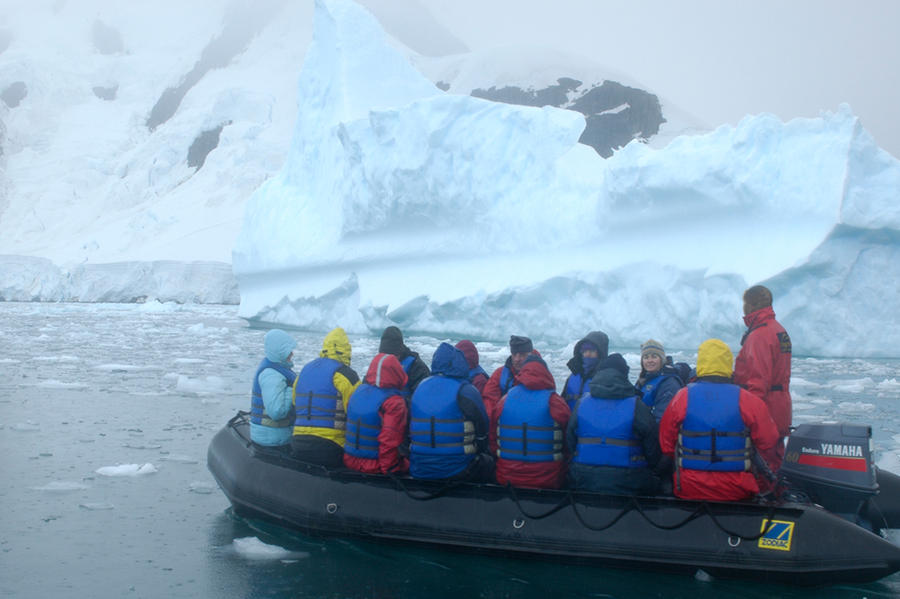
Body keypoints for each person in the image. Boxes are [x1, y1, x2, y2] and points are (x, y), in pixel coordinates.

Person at [659, 339, 779, 501]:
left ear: (701, 363)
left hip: (689, 487)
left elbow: (666, 445)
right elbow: (769, 442)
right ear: (728, 364)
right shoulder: (749, 400)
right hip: (737, 489)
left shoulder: (681, 397)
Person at [567, 353, 662, 495]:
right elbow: (652, 450)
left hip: (582, 478)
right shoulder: (637, 405)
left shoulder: (581, 403)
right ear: (624, 375)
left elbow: (570, 440)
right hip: (630, 480)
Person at [408, 342, 493, 481]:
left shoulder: (419, 388)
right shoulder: (466, 391)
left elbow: (408, 428)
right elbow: (483, 431)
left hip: (419, 468)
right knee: (489, 463)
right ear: (460, 363)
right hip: (458, 469)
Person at [733, 285, 792, 479]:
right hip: (780, 404)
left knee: (763, 461)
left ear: (750, 305)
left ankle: (768, 499)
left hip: (765, 407)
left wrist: (750, 416)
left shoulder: (759, 335)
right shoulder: (779, 331)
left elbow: (758, 380)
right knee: (774, 457)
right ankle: (777, 494)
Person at [491, 354, 571, 489]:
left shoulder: (503, 401)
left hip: (507, 477)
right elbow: (569, 442)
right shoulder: (555, 402)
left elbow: (493, 441)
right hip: (549, 479)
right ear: (546, 373)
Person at [291, 327, 360, 467]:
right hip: (330, 447)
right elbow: (357, 413)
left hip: (298, 443)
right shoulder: (346, 375)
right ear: (346, 349)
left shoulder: (304, 370)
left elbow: (294, 404)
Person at [343, 353, 410, 474]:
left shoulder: (357, 392)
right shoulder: (394, 402)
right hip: (375, 465)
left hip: (349, 460)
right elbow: (389, 439)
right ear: (397, 372)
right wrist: (389, 470)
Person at [249, 329, 298, 448]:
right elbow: (277, 412)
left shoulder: (277, 369)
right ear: (279, 351)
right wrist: (293, 389)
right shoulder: (271, 374)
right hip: (272, 437)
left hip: (275, 434)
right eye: (288, 350)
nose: (292, 354)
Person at [482, 335, 534, 419]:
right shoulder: (499, 374)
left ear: (530, 354)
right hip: (507, 424)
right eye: (514, 354)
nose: (517, 359)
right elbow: (489, 401)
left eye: (522, 355)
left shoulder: (540, 375)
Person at [635, 339, 684, 422]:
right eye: (646, 357)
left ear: (662, 359)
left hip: (654, 432)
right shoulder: (643, 380)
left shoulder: (669, 383)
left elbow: (663, 418)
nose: (650, 360)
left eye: (654, 356)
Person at [561, 331, 610, 411]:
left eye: (592, 351)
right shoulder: (573, 376)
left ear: (601, 353)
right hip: (569, 422)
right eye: (584, 351)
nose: (587, 354)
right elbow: (562, 402)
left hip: (590, 422)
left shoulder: (607, 379)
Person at [378, 326, 430, 396]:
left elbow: (422, 397)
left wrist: (397, 403)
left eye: (391, 355)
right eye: (384, 355)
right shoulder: (378, 365)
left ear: (399, 352)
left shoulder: (417, 368)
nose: (387, 359)